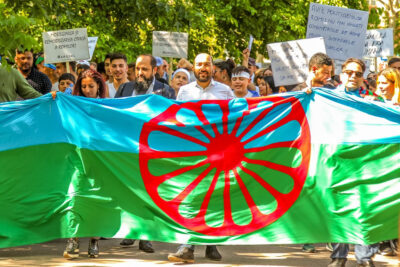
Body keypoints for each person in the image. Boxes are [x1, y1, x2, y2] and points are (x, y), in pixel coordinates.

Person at [167, 53, 234, 264]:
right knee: (191, 197)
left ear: (213, 68)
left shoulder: (225, 91)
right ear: (193, 68)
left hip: (218, 154)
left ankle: (209, 242)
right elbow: (178, 120)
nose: (203, 68)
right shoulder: (184, 92)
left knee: (211, 198)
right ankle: (188, 245)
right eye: (199, 64)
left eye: (206, 64)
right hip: (192, 154)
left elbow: (237, 118)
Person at [324, 58, 379, 267]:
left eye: (357, 74)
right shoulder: (327, 97)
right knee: (339, 209)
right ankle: (338, 257)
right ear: (341, 74)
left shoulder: (372, 99)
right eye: (349, 72)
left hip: (364, 161)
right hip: (337, 161)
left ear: (362, 77)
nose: (353, 77)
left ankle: (364, 257)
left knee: (364, 209)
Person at [63, 70, 107, 259]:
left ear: (99, 87)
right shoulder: (73, 106)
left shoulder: (108, 107)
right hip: (77, 157)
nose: (87, 90)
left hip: (100, 159)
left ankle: (94, 241)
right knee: (75, 196)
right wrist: (56, 97)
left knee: (97, 199)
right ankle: (73, 240)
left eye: (91, 86)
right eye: (84, 86)